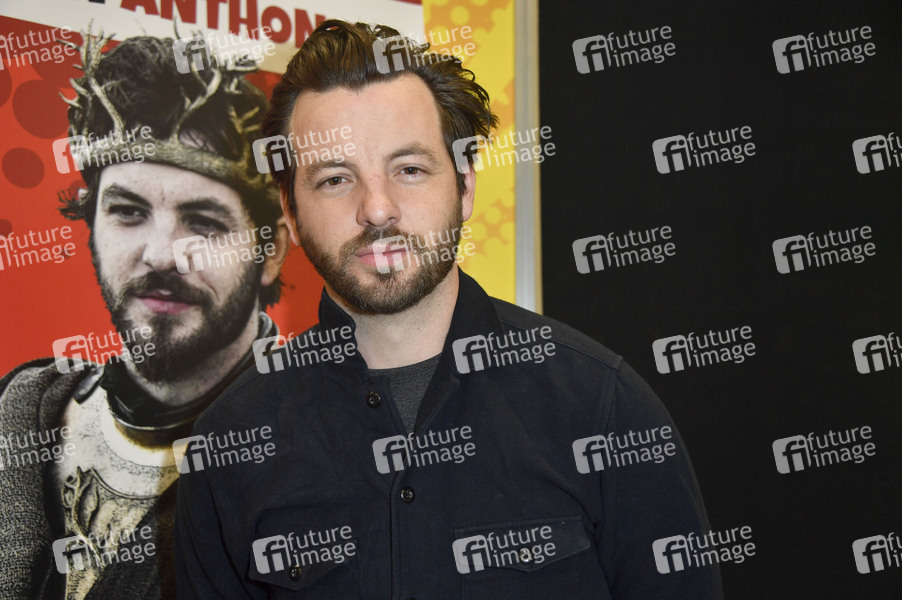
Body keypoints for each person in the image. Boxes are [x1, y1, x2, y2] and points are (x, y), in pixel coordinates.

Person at [175, 20, 723, 599]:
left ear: (464, 186)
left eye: (409, 169)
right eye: (335, 179)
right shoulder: (229, 443)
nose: (377, 209)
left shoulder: (603, 407)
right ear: (290, 209)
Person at [0, 28, 289, 599]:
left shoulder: (319, 453)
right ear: (91, 223)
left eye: (203, 221)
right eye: (128, 212)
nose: (161, 255)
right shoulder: (22, 409)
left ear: (270, 251)